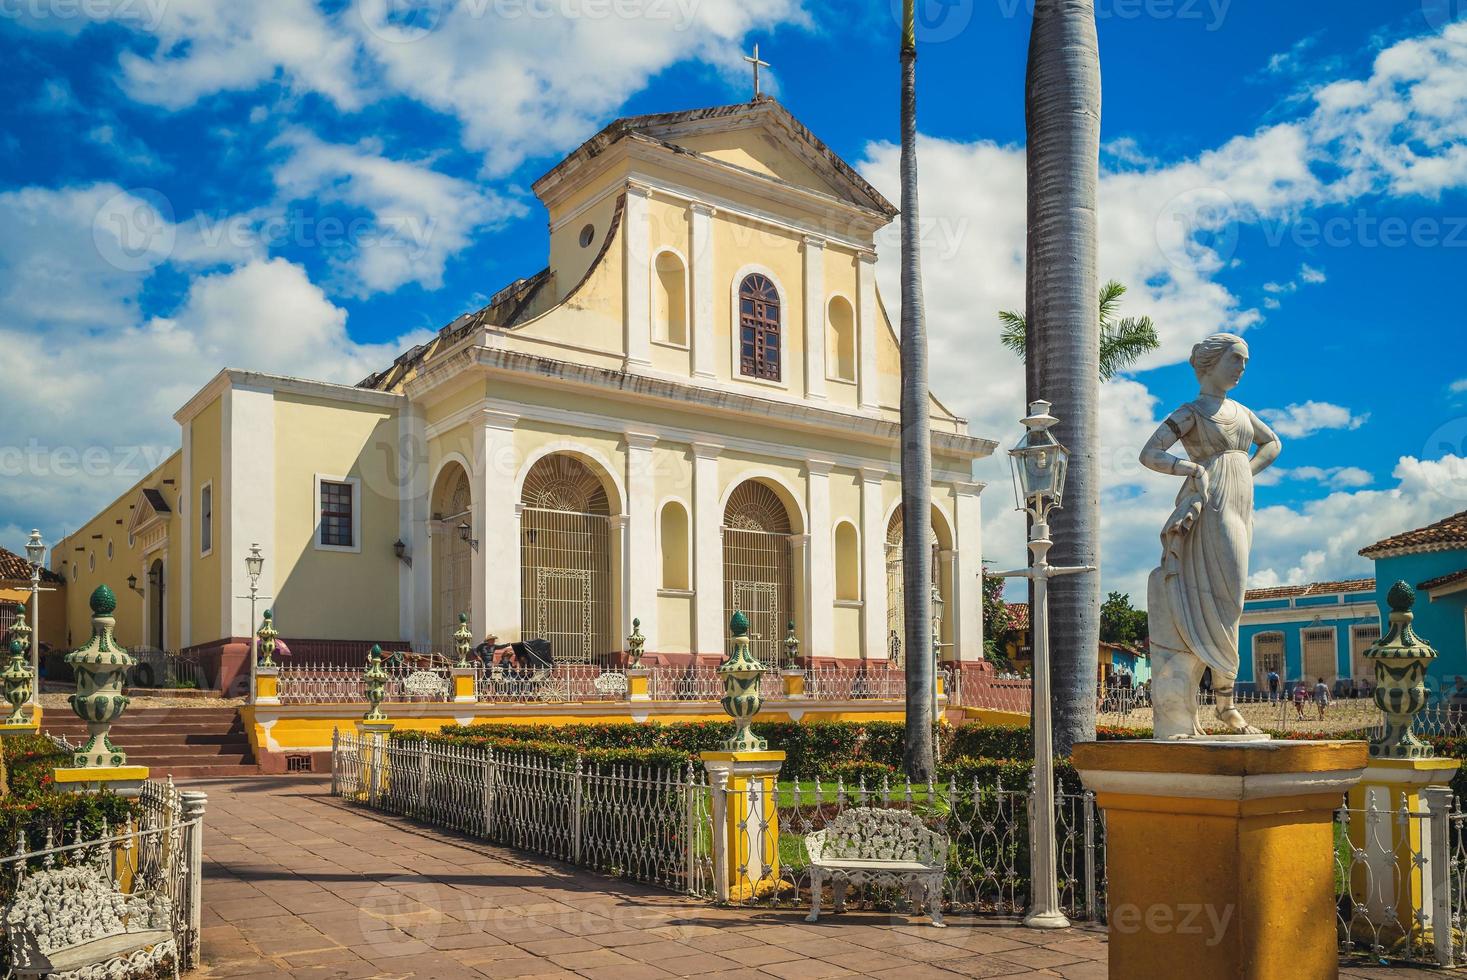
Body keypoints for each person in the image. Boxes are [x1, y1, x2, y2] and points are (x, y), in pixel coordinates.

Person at [1139, 333, 1282, 739]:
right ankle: (1226, 706)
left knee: (1233, 599)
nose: (1242, 368)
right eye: (1235, 360)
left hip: (1240, 503)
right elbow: (1150, 453)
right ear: (1210, 363)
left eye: (1245, 362)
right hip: (1211, 504)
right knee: (1225, 598)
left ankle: (1225, 702)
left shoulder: (1240, 411)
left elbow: (1272, 443)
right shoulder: (1192, 413)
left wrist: (1244, 473)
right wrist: (1193, 469)